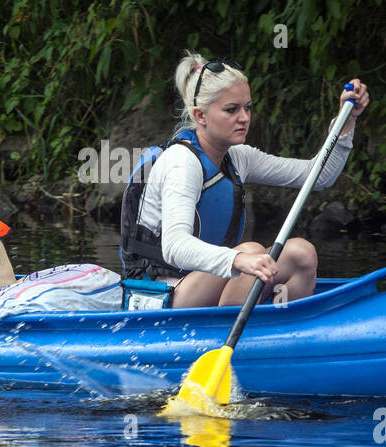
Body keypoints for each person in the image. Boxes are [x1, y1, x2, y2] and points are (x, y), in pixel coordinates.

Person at [121, 52, 368, 308]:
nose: (244, 117)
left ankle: (281, 330)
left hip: (206, 282)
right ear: (200, 116)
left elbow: (318, 176)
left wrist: (346, 121)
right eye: (231, 110)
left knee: (301, 253)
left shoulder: (238, 158)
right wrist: (239, 259)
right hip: (160, 292)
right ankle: (230, 329)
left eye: (247, 107)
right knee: (251, 252)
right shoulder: (182, 163)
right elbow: (175, 247)